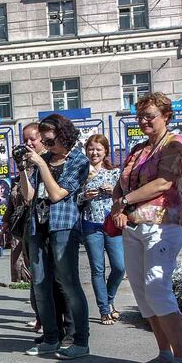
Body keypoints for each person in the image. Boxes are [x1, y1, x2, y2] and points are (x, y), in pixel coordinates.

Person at [111, 92, 182, 363]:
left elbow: (163, 182)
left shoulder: (175, 144)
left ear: (166, 116)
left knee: (158, 288)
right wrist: (119, 205)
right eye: (140, 116)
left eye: (149, 116)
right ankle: (164, 353)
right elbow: (120, 183)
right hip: (133, 226)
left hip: (163, 224)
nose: (143, 121)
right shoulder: (138, 149)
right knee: (142, 293)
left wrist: (126, 200)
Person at [20, 114, 90, 359]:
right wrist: (23, 171)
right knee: (40, 285)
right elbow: (28, 196)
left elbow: (57, 194)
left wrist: (40, 164)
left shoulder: (79, 160)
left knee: (69, 284)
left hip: (63, 227)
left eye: (49, 141)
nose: (46, 145)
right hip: (38, 227)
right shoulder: (45, 159)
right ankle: (50, 338)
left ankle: (80, 340)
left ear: (63, 135)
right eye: (45, 141)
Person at [78, 134, 125, 325]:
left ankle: (110, 298)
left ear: (105, 151)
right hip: (90, 225)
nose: (94, 152)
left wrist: (112, 191)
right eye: (90, 149)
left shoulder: (115, 172)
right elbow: (75, 199)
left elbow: (124, 196)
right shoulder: (82, 173)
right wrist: (84, 196)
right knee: (97, 269)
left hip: (111, 224)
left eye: (98, 149)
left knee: (119, 267)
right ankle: (104, 310)